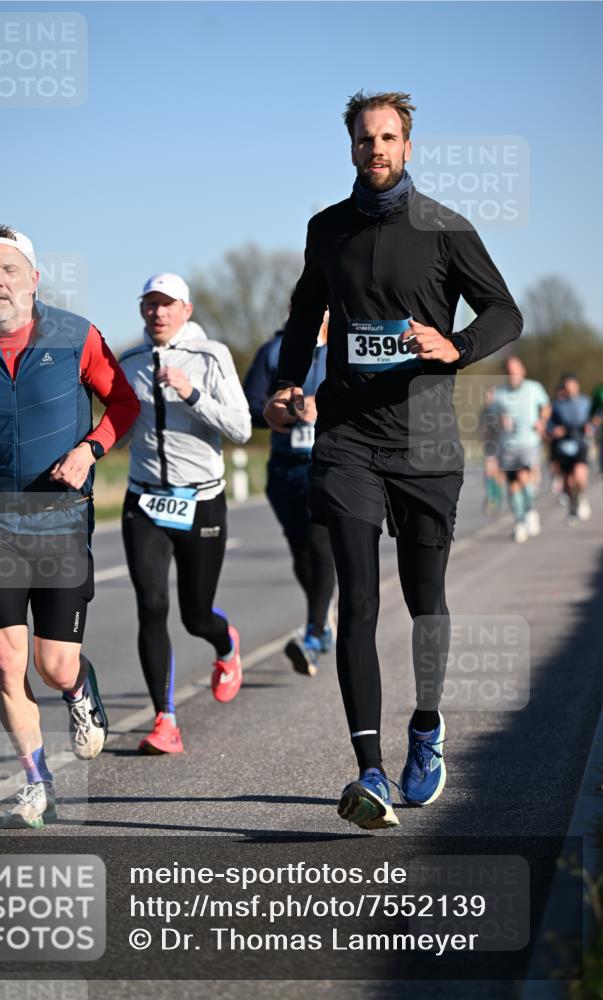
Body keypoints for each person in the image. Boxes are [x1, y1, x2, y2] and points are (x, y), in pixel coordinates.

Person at [264, 91, 522, 830]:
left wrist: (457, 345)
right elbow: (303, 318)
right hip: (346, 438)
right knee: (359, 601)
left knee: (423, 602)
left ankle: (426, 728)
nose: (374, 149)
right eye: (363, 139)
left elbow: (503, 310)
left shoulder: (444, 228)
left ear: (406, 146)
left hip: (426, 443)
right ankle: (369, 772)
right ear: (349, 148)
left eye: (387, 138)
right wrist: (287, 386)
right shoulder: (327, 230)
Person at [0, 225, 140, 828]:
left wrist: (91, 451)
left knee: (53, 665)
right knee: (4, 657)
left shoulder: (77, 337)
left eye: (7, 271)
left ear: (33, 277)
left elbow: (124, 403)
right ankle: (38, 782)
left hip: (61, 518)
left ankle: (79, 689)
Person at [119, 273, 251, 754]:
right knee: (151, 606)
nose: (157, 313)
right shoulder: (129, 362)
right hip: (145, 500)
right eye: (149, 304)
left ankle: (226, 643)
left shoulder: (210, 356)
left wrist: (191, 393)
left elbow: (240, 426)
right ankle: (164, 720)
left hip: (201, 500)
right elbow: (119, 426)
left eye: (167, 305)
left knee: (196, 615)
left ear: (186, 310)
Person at [244, 307, 336, 675]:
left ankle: (314, 635)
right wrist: (281, 409)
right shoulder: (273, 351)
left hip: (329, 464)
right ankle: (323, 617)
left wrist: (324, 405)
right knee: (301, 551)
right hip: (284, 469)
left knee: (320, 544)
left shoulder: (347, 348)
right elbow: (249, 407)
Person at [491, 357, 550, 543]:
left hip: (529, 442)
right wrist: (500, 421)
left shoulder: (534, 388)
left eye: (515, 369)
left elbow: (546, 406)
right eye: (509, 370)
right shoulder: (499, 394)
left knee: (524, 477)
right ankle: (519, 521)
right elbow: (492, 420)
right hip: (508, 445)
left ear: (523, 370)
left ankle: (529, 511)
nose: (512, 373)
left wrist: (542, 421)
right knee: (513, 485)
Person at [547, 373, 593, 525]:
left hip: (580, 442)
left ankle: (582, 497)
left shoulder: (586, 402)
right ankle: (573, 505)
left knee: (579, 475)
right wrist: (554, 429)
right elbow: (549, 423)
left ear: (576, 386)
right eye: (566, 386)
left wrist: (591, 427)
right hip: (564, 444)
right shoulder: (557, 404)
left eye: (571, 385)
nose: (569, 389)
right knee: (568, 481)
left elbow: (593, 420)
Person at [479, 386, 505, 516]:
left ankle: (497, 497)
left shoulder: (500, 408)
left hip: (501, 442)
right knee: (489, 471)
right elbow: (481, 428)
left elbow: (506, 424)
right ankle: (491, 498)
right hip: (489, 444)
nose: (488, 398)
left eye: (491, 395)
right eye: (487, 395)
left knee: (499, 474)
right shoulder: (484, 411)